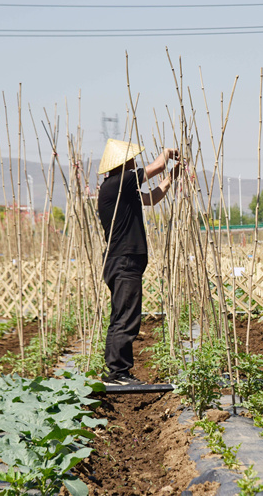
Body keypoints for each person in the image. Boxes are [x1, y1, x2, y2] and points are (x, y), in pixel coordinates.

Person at [97, 138, 181, 386]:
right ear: (123, 163)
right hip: (123, 260)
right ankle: (118, 373)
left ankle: (116, 372)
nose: (135, 162)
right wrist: (167, 153)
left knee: (122, 315)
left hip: (123, 261)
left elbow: (151, 198)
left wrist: (172, 178)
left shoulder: (122, 187)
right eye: (132, 158)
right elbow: (156, 167)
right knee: (126, 318)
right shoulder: (118, 182)